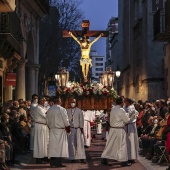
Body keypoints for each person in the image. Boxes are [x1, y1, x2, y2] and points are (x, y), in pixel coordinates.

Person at [101, 97, 136, 167]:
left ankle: (104, 158)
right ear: (121, 102)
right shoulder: (121, 110)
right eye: (123, 102)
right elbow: (126, 120)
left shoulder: (113, 109)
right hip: (119, 129)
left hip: (113, 129)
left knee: (110, 144)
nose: (124, 103)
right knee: (122, 145)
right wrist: (131, 117)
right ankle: (123, 161)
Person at [47, 97, 70, 168]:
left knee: (53, 146)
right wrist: (68, 127)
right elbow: (65, 119)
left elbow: (47, 120)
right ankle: (57, 162)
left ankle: (52, 162)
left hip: (52, 129)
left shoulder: (49, 109)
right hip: (60, 130)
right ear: (59, 102)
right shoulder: (62, 109)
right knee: (59, 147)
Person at [67, 98, 86, 163]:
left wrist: (81, 127)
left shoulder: (79, 110)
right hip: (71, 129)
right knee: (71, 143)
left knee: (79, 143)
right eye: (71, 102)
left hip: (78, 128)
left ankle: (81, 157)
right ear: (70, 103)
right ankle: (72, 157)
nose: (72, 103)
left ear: (76, 103)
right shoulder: (67, 111)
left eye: (74, 102)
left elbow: (81, 120)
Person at [33, 97, 49, 164]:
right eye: (44, 100)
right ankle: (39, 158)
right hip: (40, 126)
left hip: (44, 126)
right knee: (40, 142)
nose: (46, 102)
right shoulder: (38, 108)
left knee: (45, 142)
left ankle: (44, 156)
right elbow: (45, 116)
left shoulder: (43, 108)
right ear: (41, 101)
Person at [124, 98, 139, 163]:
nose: (124, 102)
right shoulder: (126, 107)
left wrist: (126, 122)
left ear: (128, 102)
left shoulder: (131, 109)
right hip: (128, 126)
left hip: (130, 127)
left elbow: (131, 118)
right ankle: (129, 156)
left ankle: (131, 157)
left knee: (130, 141)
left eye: (125, 101)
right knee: (128, 142)